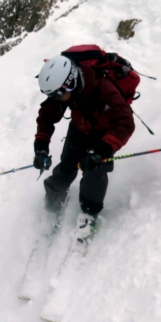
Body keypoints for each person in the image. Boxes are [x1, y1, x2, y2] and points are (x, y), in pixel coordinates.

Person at [33, 51, 135, 228]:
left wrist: (102, 150)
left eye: (57, 95)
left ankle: (89, 212)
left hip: (103, 136)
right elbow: (47, 116)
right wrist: (41, 147)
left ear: (69, 83)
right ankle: (52, 205)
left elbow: (125, 123)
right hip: (79, 130)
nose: (55, 99)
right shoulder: (65, 90)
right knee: (66, 168)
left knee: (94, 172)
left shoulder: (104, 89)